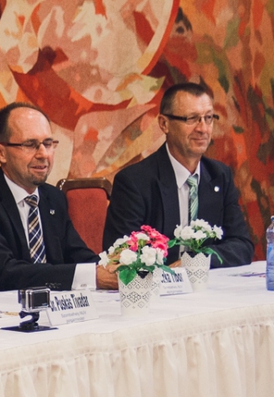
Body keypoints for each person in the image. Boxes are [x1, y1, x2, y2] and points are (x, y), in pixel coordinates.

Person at [0, 103, 119, 292]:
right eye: (30, 145)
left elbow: (77, 255)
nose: (43, 154)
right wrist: (92, 277)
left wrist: (113, 269)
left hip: (54, 306)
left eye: (48, 144)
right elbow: (2, 274)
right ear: (0, 152)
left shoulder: (53, 198)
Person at [103, 82, 254, 267]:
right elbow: (121, 256)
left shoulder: (220, 176)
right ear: (164, 124)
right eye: (192, 119)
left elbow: (242, 246)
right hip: (158, 283)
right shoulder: (134, 182)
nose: (203, 129)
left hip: (207, 283)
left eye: (208, 118)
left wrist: (194, 263)